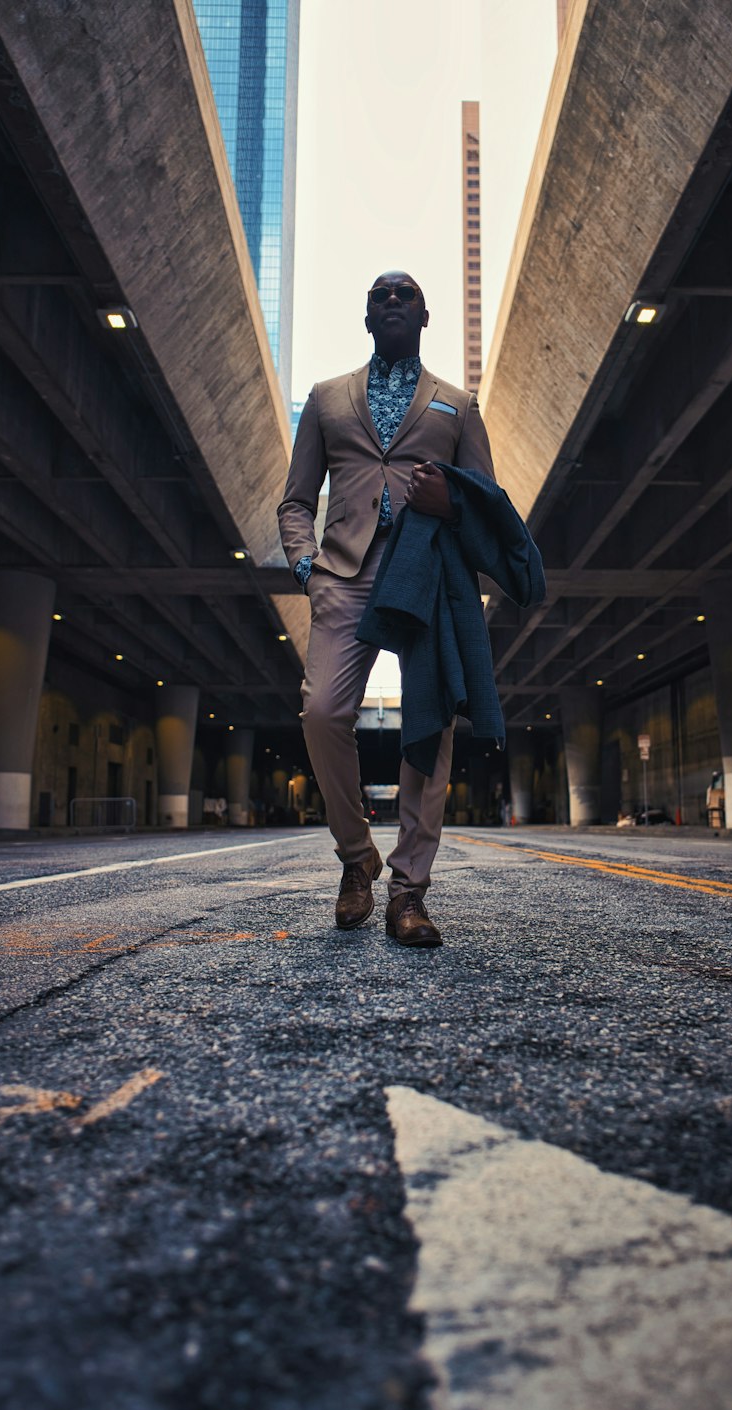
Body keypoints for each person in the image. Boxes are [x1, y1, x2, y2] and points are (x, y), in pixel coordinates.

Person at [278, 270, 499, 948]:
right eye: (381, 296)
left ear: (425, 316)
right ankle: (356, 857)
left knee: (429, 727)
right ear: (367, 317)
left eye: (406, 295)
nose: (394, 302)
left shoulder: (457, 406)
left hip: (426, 575)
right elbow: (294, 499)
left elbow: (486, 505)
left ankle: (408, 891)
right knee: (323, 711)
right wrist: (304, 561)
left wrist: (450, 504)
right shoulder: (324, 398)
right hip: (342, 574)